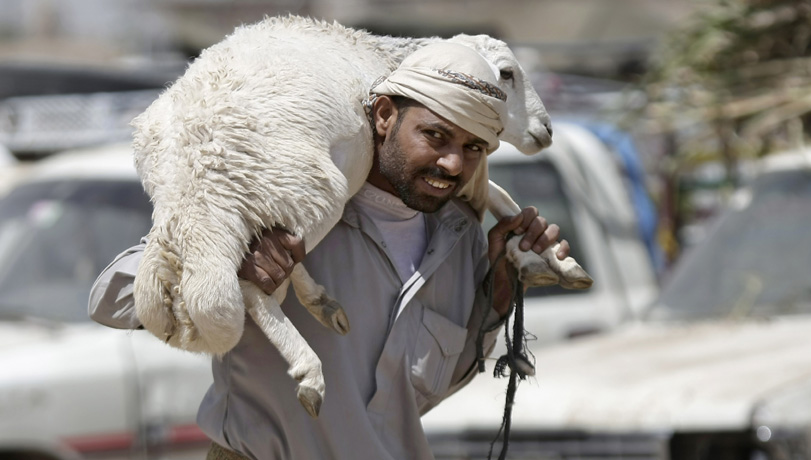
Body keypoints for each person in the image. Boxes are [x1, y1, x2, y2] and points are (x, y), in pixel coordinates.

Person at [89, 42, 570, 460]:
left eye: (473, 148)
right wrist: (236, 262)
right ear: (384, 116)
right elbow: (110, 301)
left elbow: (426, 391)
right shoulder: (285, 208)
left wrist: (501, 287)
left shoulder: (461, 238)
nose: (452, 162)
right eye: (435, 136)